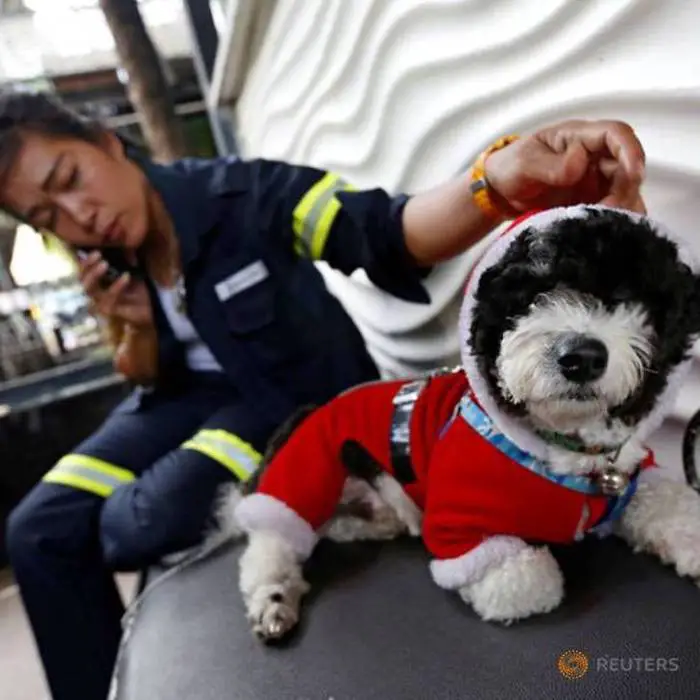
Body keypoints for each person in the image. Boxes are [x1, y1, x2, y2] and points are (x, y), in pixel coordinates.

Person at [0, 90, 645, 700]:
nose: (78, 216)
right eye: (47, 217)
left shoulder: (243, 194)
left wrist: (494, 182)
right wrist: (136, 326)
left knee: (129, 523)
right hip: (181, 401)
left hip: (281, 410)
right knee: (34, 531)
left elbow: (388, 230)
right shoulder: (115, 261)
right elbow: (143, 374)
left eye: (69, 179)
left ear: (108, 144)